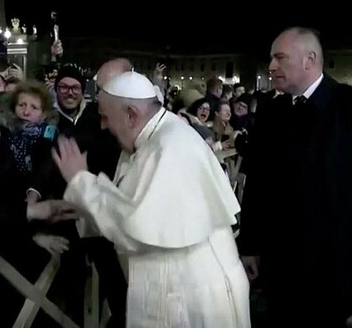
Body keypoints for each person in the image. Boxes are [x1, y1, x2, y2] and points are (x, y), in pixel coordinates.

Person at [52, 71, 250, 327]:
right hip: (178, 290)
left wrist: (81, 182)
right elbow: (129, 204)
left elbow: (136, 229)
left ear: (131, 115)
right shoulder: (150, 139)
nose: (103, 125)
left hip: (191, 299)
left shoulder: (171, 146)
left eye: (105, 116)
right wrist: (80, 206)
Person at [238, 27, 352, 327]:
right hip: (280, 263)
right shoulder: (270, 111)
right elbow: (257, 183)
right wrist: (250, 244)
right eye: (271, 59)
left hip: (339, 263)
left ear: (310, 59)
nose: (271, 66)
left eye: (280, 57)